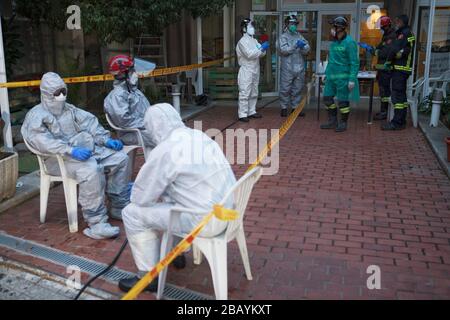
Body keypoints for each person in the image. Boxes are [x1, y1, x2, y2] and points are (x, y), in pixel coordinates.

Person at [118, 103, 237, 292]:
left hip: (203, 222)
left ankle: (148, 277)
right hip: (228, 214)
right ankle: (177, 252)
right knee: (171, 199)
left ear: (154, 127)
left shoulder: (166, 149)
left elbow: (141, 198)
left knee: (132, 213)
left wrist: (139, 190)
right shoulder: (199, 136)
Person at [21, 72, 130, 239]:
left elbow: (90, 123)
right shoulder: (36, 115)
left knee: (120, 159)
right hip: (57, 159)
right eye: (57, 93)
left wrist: (105, 140)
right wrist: (69, 150)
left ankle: (118, 205)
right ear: (46, 93)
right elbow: (41, 141)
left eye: (63, 91)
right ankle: (97, 222)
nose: (62, 96)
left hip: (83, 151)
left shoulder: (69, 109)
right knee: (91, 170)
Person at [104, 55, 154, 148]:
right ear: (122, 74)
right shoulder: (117, 96)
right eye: (132, 71)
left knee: (174, 133)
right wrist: (148, 123)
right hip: (131, 134)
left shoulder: (133, 91)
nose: (135, 73)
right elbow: (124, 121)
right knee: (167, 138)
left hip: (144, 130)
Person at [320, 16, 360, 133]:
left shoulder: (350, 43)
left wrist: (352, 79)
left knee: (342, 102)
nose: (331, 29)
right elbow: (331, 60)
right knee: (327, 99)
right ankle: (333, 121)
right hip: (331, 78)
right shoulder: (334, 43)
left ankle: (343, 122)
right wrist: (325, 73)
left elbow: (354, 62)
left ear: (339, 28)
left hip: (343, 78)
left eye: (333, 27)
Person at [359, 16, 397, 121]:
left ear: (388, 25)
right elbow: (378, 48)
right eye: (381, 27)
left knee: (385, 92)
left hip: (386, 70)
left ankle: (385, 112)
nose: (382, 29)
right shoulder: (386, 36)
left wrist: (371, 50)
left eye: (383, 27)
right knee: (382, 91)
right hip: (382, 70)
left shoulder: (392, 37)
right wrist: (369, 47)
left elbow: (384, 53)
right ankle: (383, 111)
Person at [381, 15, 415, 131]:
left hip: (400, 69)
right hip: (403, 69)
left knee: (397, 96)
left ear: (401, 22)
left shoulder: (403, 34)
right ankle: (401, 121)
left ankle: (397, 122)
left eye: (397, 21)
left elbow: (394, 49)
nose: (396, 23)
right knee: (402, 96)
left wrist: (388, 61)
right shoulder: (407, 33)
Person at [278, 14, 311, 118]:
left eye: (295, 24)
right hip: (287, 67)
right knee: (285, 88)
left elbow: (307, 48)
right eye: (291, 23)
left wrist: (303, 47)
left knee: (298, 88)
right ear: (287, 24)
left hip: (299, 67)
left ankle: (295, 108)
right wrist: (295, 45)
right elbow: (284, 51)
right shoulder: (283, 37)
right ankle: (284, 107)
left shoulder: (299, 35)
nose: (293, 26)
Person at [236, 18, 269, 123]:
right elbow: (249, 55)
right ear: (244, 29)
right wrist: (260, 49)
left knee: (254, 91)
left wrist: (263, 49)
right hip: (246, 70)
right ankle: (242, 114)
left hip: (255, 69)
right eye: (250, 26)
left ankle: (251, 111)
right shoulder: (242, 42)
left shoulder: (254, 40)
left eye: (253, 26)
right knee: (245, 92)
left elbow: (261, 54)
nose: (253, 28)